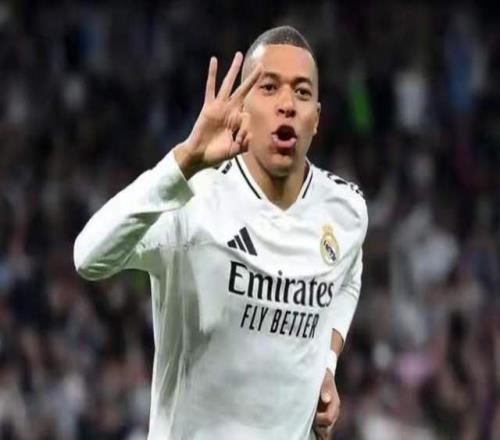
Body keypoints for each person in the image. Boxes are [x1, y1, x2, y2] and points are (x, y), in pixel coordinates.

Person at [74, 25, 368, 440]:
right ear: (242, 106)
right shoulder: (191, 202)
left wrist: (328, 364)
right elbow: (88, 257)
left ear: (316, 118)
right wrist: (182, 162)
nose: (287, 104)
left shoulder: (345, 209)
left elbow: (347, 278)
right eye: (269, 88)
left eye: (302, 93)